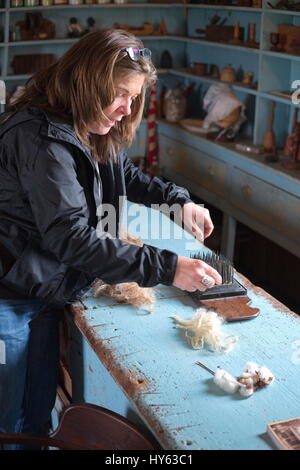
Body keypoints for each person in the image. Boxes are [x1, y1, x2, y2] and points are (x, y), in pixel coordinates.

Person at [0, 28, 222, 445]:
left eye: (134, 98)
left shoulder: (84, 122)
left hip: (43, 285)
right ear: (89, 82)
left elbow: (125, 176)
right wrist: (169, 268)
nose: (125, 109)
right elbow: (72, 238)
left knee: (36, 412)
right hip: (8, 295)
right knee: (6, 419)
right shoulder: (39, 137)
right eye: (121, 94)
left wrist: (179, 201)